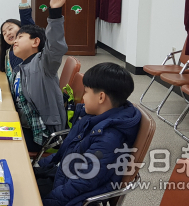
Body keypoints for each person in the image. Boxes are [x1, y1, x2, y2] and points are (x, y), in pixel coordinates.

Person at [35, 63, 140, 206]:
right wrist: (38, 166)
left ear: (101, 97)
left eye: (86, 92)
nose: (83, 97)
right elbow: (66, 152)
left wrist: (46, 201)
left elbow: (83, 183)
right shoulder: (92, 118)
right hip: (62, 176)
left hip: (72, 196)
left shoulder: (109, 138)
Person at [10, 0, 68, 153]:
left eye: (20, 37)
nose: (15, 41)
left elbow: (55, 45)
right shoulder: (20, 68)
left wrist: (55, 12)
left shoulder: (44, 64)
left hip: (43, 135)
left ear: (36, 41)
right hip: (25, 125)